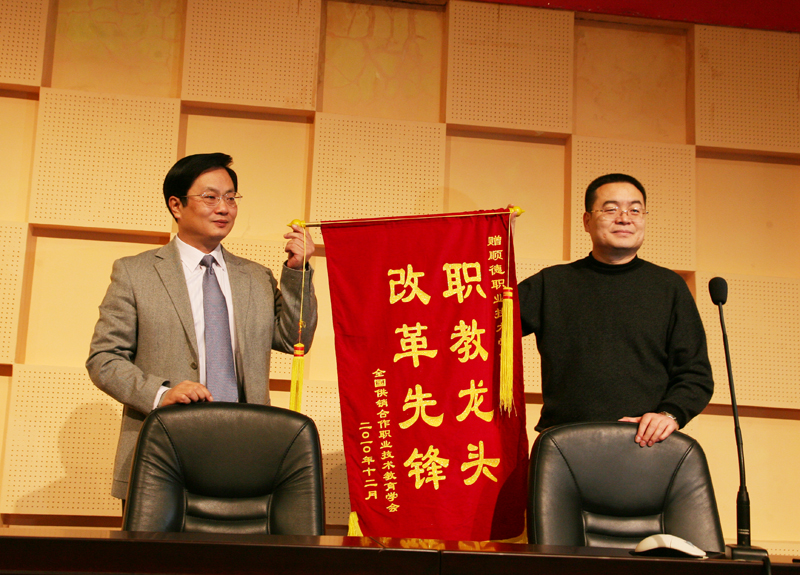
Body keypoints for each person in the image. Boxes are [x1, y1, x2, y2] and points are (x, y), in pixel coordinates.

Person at [87, 153, 317, 499]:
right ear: (176, 205)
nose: (224, 208)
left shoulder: (256, 277)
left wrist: (297, 272)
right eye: (210, 197)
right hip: (162, 453)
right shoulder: (135, 273)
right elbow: (104, 359)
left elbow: (294, 338)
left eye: (231, 198)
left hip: (246, 449)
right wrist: (161, 394)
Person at [516, 173, 713, 447]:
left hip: (645, 445)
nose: (624, 218)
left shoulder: (669, 287)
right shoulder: (551, 283)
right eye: (611, 209)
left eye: (635, 210)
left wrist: (669, 414)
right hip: (565, 444)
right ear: (587, 221)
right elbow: (484, 323)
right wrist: (491, 243)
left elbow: (695, 374)